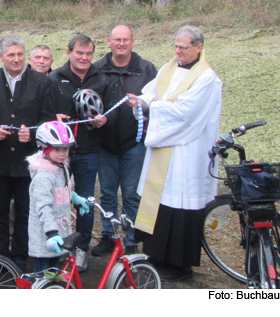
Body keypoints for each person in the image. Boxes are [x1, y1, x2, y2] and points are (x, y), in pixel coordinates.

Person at [128, 25, 222, 281]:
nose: (178, 51)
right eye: (176, 46)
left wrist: (154, 107)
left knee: (180, 204)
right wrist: (142, 101)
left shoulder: (206, 78)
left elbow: (187, 113)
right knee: (159, 201)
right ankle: (157, 256)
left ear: (199, 47)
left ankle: (180, 264)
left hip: (186, 150)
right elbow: (153, 92)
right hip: (165, 148)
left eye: (184, 47)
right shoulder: (169, 68)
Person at [0, 34, 56, 269]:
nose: (16, 59)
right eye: (11, 54)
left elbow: (49, 119)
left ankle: (20, 257)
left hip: (29, 162)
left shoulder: (42, 82)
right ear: (1, 56)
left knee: (24, 212)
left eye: (20, 54)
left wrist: (32, 134)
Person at [48, 34, 119, 272]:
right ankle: (59, 247)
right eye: (79, 53)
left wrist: (105, 119)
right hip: (59, 153)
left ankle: (81, 249)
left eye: (89, 54)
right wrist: (53, 117)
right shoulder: (55, 77)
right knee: (58, 200)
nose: (84, 58)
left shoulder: (102, 79)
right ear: (69, 53)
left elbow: (115, 109)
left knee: (86, 202)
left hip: (89, 150)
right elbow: (43, 109)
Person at [91, 25, 157, 257]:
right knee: (107, 194)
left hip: (134, 144)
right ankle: (108, 236)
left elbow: (157, 102)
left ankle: (131, 240)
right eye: (117, 39)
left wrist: (142, 104)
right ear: (108, 41)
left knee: (131, 194)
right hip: (105, 144)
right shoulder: (97, 68)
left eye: (125, 39)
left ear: (133, 41)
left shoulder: (146, 70)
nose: (121, 43)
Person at [28, 121, 89, 272]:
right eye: (57, 150)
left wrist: (76, 199)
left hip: (59, 231)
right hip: (46, 235)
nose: (63, 154)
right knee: (44, 274)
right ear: (45, 149)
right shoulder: (44, 176)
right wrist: (51, 234)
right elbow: (43, 207)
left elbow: (61, 190)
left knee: (55, 271)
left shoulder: (61, 168)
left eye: (65, 149)